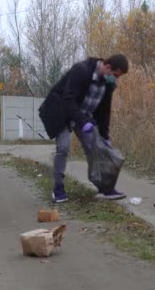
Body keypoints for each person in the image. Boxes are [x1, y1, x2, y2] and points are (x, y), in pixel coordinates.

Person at [38, 54, 129, 203]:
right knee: (63, 148)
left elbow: (104, 112)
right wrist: (81, 122)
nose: (116, 79)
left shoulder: (108, 84)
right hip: (63, 112)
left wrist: (104, 136)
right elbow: (68, 99)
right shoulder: (81, 71)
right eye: (115, 75)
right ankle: (58, 189)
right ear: (107, 67)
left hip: (84, 116)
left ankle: (105, 188)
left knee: (96, 148)